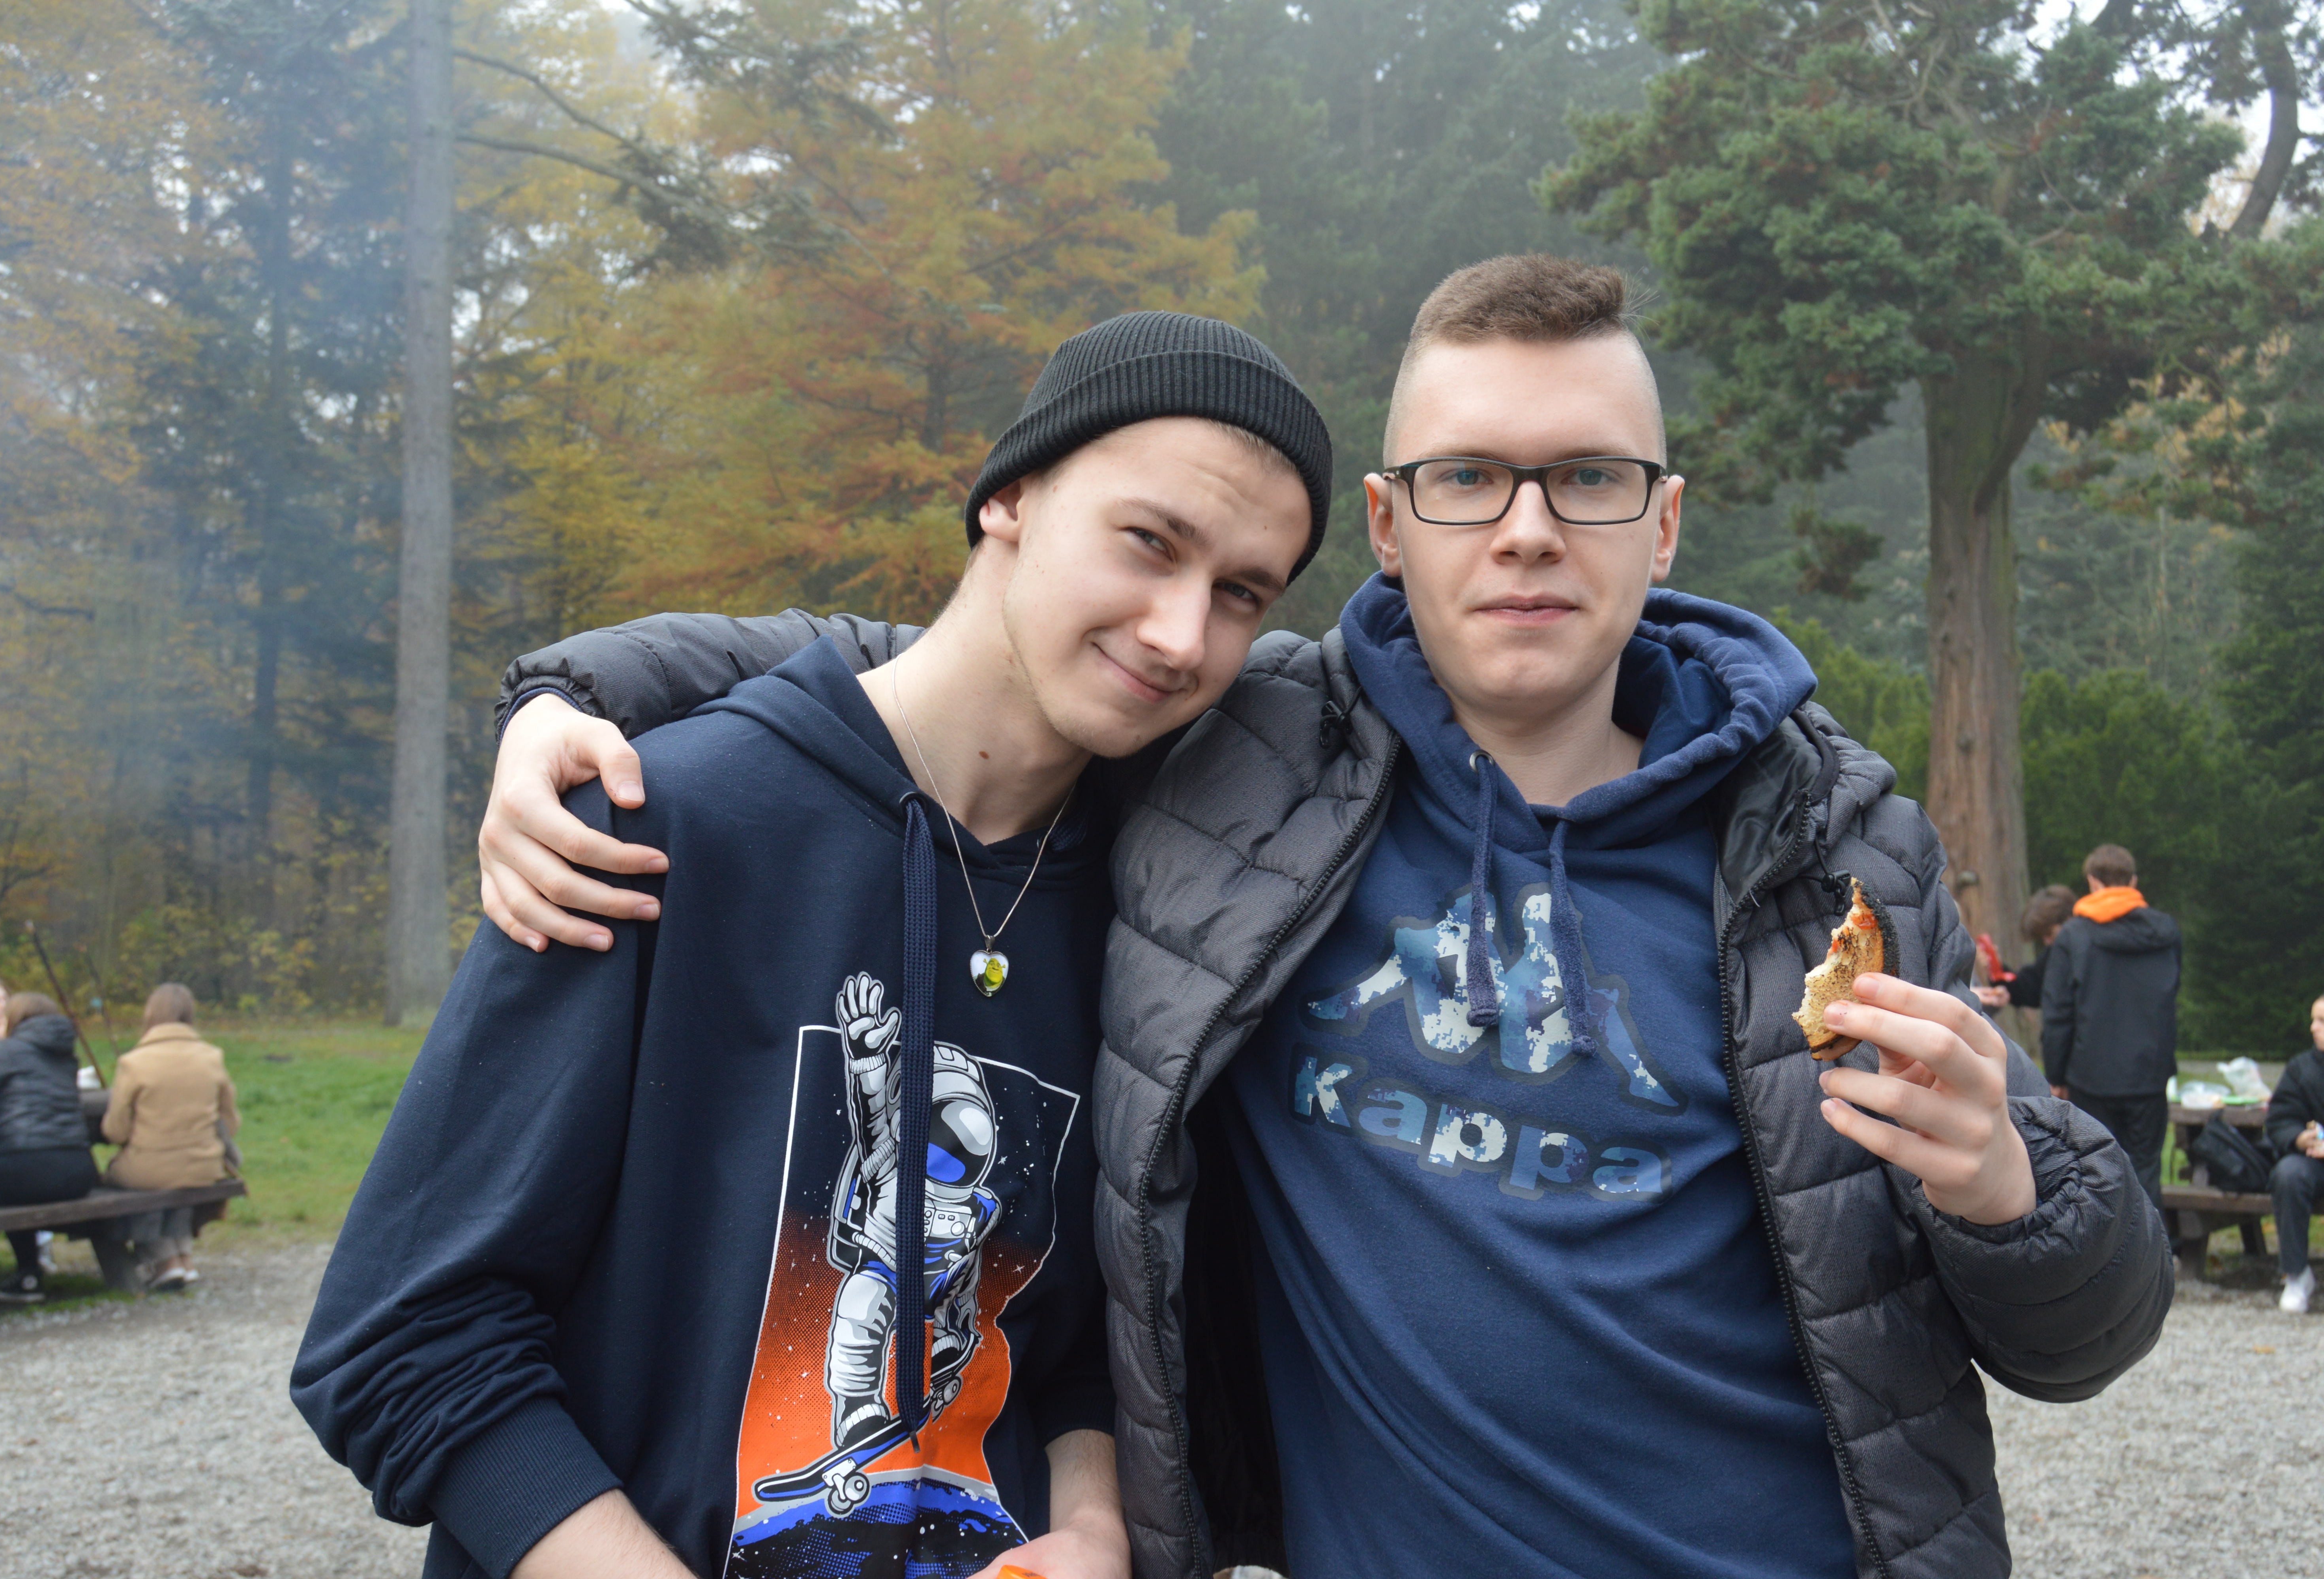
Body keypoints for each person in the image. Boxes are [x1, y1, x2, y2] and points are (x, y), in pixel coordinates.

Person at [476, 255, 2170, 1578]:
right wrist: (573, 693)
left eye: (1585, 477)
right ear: (1385, 524)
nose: (1525, 530)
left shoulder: (1831, 850)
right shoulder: (1241, 767)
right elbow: (956, 660)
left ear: (1659, 523)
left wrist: (2003, 1188)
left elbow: (2086, 1331)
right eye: (1466, 478)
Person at [293, 311, 1330, 1579]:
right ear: (1009, 499)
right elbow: (407, 1340)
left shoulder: (1159, 913)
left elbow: (1061, 1334)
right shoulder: (661, 821)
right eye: (1148, 542)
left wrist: (1093, 1524)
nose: (1180, 633)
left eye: (1240, 594)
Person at [2041, 844, 2182, 1206]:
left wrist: (2056, 1075)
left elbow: (2058, 1013)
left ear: (2092, 882)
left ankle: (2104, 1245)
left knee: (2097, 1174)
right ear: (2133, 882)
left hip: (2091, 1077)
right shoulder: (2166, 932)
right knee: (2147, 1172)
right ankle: (2153, 1243)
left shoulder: (2074, 936)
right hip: (2149, 1075)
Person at [0, 993, 98, 1306]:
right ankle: (29, 1276)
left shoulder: (4, 1052)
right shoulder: (65, 1055)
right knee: (12, 1183)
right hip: (78, 1172)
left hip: (27, 1171)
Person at [101, 982, 237, 1292]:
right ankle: (183, 1256)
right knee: (179, 1177)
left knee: (124, 1178)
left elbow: (115, 1131)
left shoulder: (134, 1063)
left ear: (150, 1016)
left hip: (150, 1169)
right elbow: (231, 1122)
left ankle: (163, 1259)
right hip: (204, 1165)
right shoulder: (212, 1057)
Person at [2264, 994, 2324, 1314]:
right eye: (2314, 1020)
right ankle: (2297, 1275)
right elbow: (2280, 1119)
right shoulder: (2301, 1069)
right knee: (2288, 1175)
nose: (2313, 1027)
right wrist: (2300, 1138)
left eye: (2322, 1021)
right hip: (2313, 1164)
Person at [1973, 883, 2077, 1011]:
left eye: (2050, 934)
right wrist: (1997, 969)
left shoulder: (2092, 950)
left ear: (2069, 920)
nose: (2047, 942)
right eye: (2043, 937)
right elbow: (2027, 989)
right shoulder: (2054, 954)